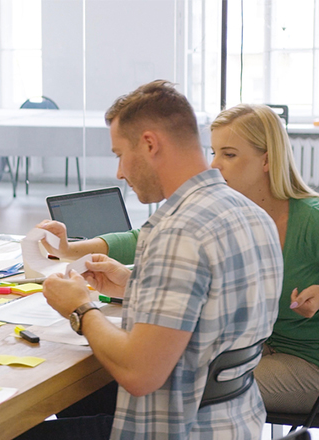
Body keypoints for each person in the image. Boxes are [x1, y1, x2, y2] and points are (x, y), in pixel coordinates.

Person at [20, 81, 283, 439]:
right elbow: (212, 310)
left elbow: (140, 375)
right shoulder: (251, 214)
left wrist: (80, 308)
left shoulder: (179, 231)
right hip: (235, 421)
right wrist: (134, 287)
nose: (119, 172)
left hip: (178, 427)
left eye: (119, 154)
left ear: (149, 144)